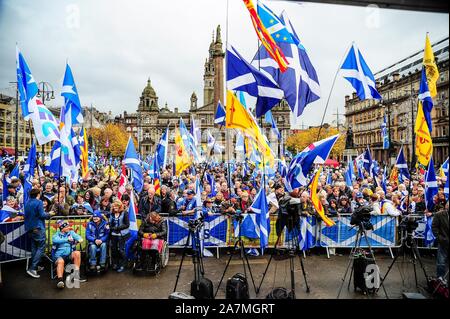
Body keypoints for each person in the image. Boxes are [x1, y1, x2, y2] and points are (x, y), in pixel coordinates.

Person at [24, 189, 54, 278]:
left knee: (34, 247)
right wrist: (49, 213)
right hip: (38, 227)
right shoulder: (39, 202)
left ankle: (35, 266)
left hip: (29, 228)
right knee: (41, 247)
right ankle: (32, 268)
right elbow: (42, 215)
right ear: (38, 194)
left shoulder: (27, 202)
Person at [52, 220, 86, 288]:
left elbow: (79, 238)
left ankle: (76, 276)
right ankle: (60, 281)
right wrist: (67, 240)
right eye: (67, 226)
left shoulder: (71, 233)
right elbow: (55, 240)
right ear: (62, 228)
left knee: (77, 253)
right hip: (58, 256)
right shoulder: (56, 235)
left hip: (69, 255)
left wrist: (79, 240)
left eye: (68, 226)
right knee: (61, 261)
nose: (69, 227)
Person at [109, 200, 130, 272]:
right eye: (114, 206)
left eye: (117, 206)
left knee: (121, 250)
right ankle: (115, 263)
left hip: (122, 234)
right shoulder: (111, 214)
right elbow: (110, 224)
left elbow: (127, 224)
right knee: (114, 250)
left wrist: (117, 228)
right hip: (113, 234)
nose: (115, 207)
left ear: (120, 206)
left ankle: (122, 264)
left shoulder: (125, 213)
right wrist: (111, 228)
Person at [432, 203, 449, 281]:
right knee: (441, 261)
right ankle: (440, 278)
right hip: (443, 241)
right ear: (446, 206)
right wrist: (440, 238)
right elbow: (434, 227)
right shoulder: (439, 214)